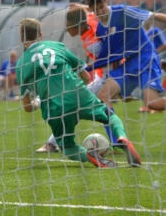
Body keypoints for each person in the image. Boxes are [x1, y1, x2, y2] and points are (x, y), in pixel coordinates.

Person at [15, 17, 141, 168]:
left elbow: (27, 107)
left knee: (67, 147)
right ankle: (122, 137)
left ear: (22, 39)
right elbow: (86, 77)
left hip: (54, 107)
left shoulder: (21, 65)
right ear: (41, 34)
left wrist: (38, 102)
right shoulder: (57, 46)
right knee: (110, 117)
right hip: (78, 95)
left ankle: (88, 154)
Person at [36, 6, 122, 154]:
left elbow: (107, 56)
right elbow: (89, 12)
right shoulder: (87, 20)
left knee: (74, 103)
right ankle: (117, 141)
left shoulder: (92, 40)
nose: (67, 30)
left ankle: (51, 143)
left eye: (69, 27)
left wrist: (85, 68)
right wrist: (81, 7)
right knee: (80, 106)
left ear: (79, 26)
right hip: (105, 74)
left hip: (108, 75)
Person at [85, 0, 166, 113]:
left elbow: (153, 16)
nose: (101, 11)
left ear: (106, 1)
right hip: (129, 63)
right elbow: (113, 53)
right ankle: (117, 133)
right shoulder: (100, 30)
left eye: (102, 6)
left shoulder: (122, 12)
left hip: (146, 57)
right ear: (91, 10)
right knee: (103, 96)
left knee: (152, 104)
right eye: (97, 9)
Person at [138, 19, 166, 113]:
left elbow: (165, 43)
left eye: (148, 20)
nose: (146, 22)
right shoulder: (140, 33)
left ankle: (156, 106)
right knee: (145, 82)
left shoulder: (156, 31)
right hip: (144, 62)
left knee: (154, 82)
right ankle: (150, 105)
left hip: (156, 62)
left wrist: (155, 51)